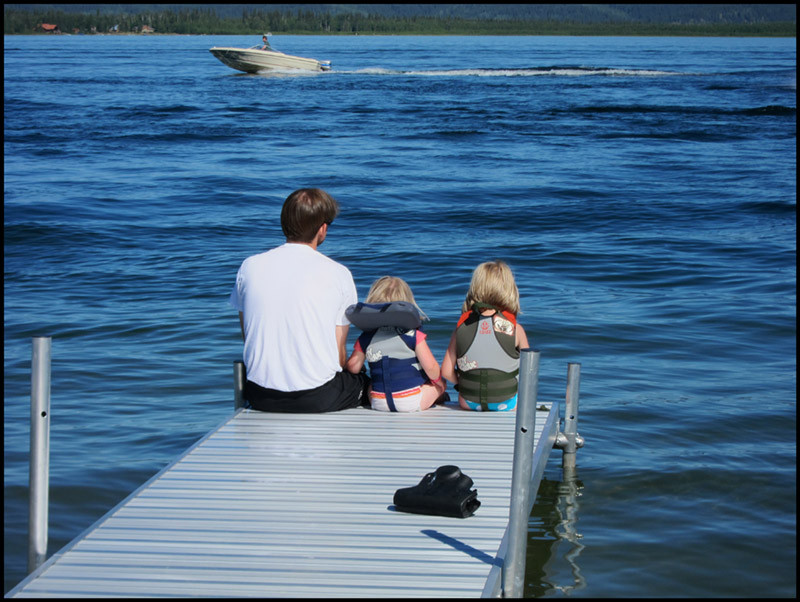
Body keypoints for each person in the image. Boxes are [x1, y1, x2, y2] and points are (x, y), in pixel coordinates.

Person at [229, 188, 369, 413]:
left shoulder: (250, 266)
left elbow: (249, 335)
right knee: (364, 382)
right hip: (318, 396)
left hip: (260, 395)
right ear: (322, 228)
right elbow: (338, 353)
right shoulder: (338, 273)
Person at [345, 276, 447, 412]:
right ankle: (436, 396)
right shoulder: (412, 335)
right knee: (439, 386)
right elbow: (431, 368)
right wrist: (439, 383)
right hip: (410, 401)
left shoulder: (366, 337)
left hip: (378, 401)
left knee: (371, 384)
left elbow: (353, 367)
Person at [441, 261, 529, 411]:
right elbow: (529, 371)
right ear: (509, 291)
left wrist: (461, 383)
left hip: (468, 402)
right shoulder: (516, 329)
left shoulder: (461, 328)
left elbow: (446, 371)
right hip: (507, 404)